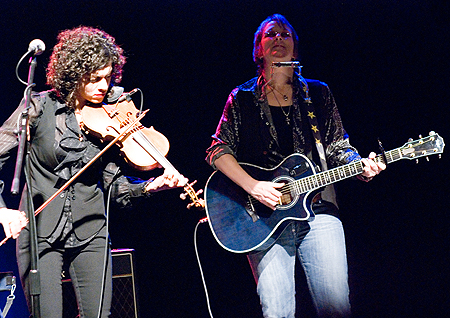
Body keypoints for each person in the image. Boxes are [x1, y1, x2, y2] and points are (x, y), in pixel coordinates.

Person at [206, 14, 386, 317]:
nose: (278, 38)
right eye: (270, 34)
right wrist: (254, 187)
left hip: (319, 211)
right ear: (259, 49)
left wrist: (361, 165)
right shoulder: (242, 98)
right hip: (262, 220)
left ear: (295, 47)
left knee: (336, 307)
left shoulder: (317, 93)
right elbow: (217, 149)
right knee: (276, 311)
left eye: (285, 34)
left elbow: (337, 147)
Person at [0, 26, 187, 317]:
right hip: (40, 234)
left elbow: (113, 185)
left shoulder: (108, 119)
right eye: (95, 78)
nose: (104, 86)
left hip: (92, 229)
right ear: (74, 73)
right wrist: (3, 211)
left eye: (108, 78)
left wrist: (152, 186)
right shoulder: (37, 107)